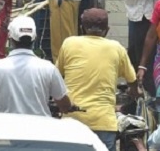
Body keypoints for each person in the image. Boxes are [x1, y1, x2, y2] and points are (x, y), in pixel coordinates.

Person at [57, 9, 137, 150]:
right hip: (104, 122)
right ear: (107, 30)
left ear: (82, 28)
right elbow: (132, 81)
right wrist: (134, 92)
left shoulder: (69, 44)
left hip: (73, 121)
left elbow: (56, 76)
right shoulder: (117, 48)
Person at [0, 16, 72, 116]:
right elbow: (64, 105)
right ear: (35, 37)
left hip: (5, 129)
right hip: (40, 129)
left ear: (10, 36)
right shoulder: (49, 69)